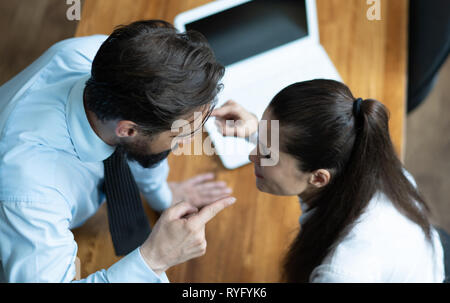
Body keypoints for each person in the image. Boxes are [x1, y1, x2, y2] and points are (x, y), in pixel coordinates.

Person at [0, 20, 236, 282]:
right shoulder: (31, 193)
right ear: (128, 130)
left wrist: (162, 195)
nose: (188, 140)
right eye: (180, 133)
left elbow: (144, 143)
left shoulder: (107, 59)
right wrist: (153, 259)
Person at [212, 79, 445, 282]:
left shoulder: (342, 271)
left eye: (267, 153)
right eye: (261, 139)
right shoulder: (368, 161)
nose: (252, 155)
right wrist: (257, 129)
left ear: (319, 178)